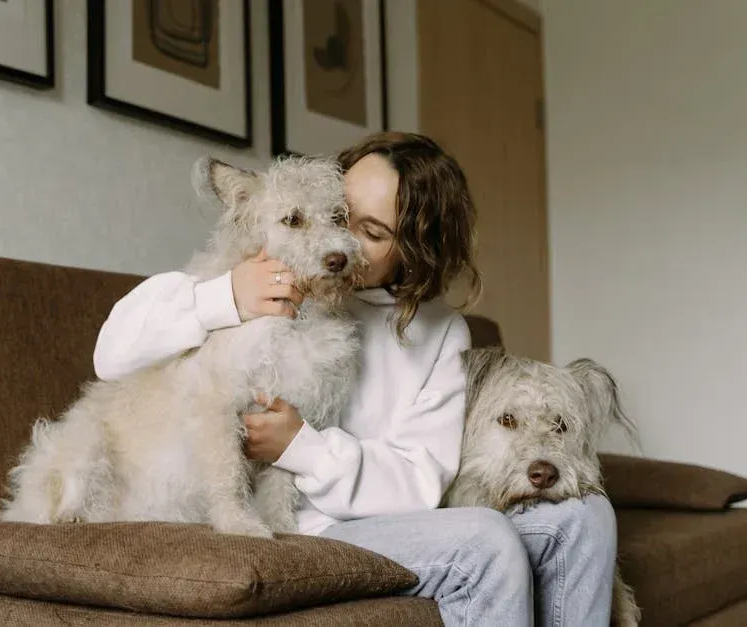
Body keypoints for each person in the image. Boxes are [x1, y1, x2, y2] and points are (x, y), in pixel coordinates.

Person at [92, 132, 617, 626]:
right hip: (299, 524)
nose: (337, 241)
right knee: (486, 539)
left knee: (586, 518)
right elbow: (111, 353)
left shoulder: (439, 333)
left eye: (371, 233)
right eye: (340, 213)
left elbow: (420, 480)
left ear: (415, 248)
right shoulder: (260, 274)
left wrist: (303, 448)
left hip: (375, 517)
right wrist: (224, 296)